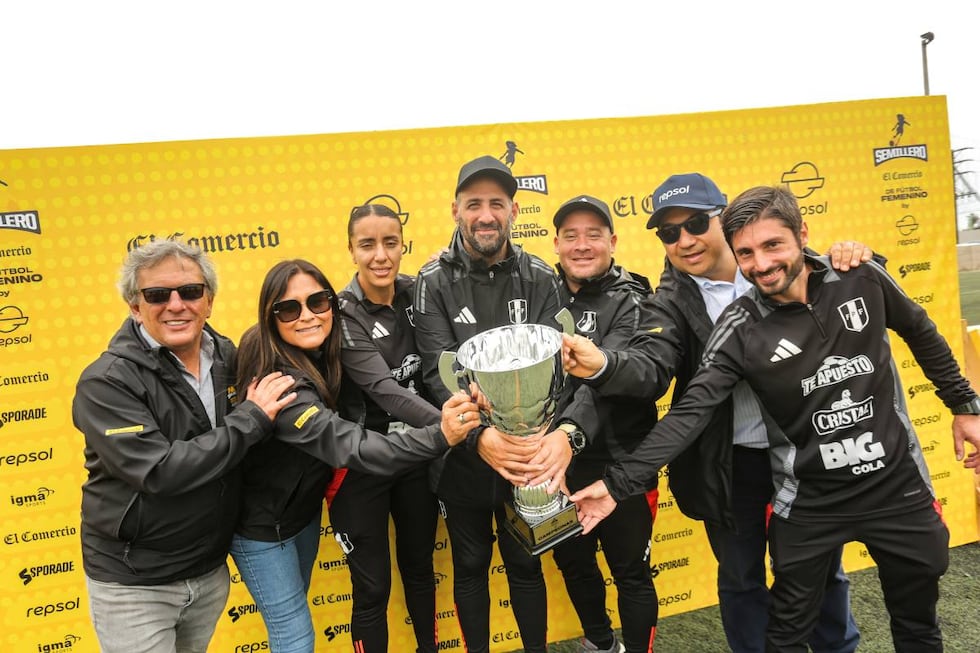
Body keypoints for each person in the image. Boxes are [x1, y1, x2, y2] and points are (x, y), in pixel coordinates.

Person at [570, 185, 980, 651]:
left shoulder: (853, 274)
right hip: (770, 480)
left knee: (898, 614)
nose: (761, 264)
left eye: (772, 246)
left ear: (801, 234)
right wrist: (617, 477)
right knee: (767, 606)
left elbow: (920, 330)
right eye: (669, 232)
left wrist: (965, 406)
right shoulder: (715, 316)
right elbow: (685, 405)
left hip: (864, 478)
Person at [231, 258, 480, 653]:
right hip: (269, 523)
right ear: (270, 315)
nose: (308, 316)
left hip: (300, 514)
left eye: (318, 302)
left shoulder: (321, 348)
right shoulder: (278, 380)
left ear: (334, 303)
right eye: (289, 308)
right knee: (348, 602)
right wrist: (443, 433)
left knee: (417, 570)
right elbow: (352, 445)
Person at [73, 239, 299, 653]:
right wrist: (250, 418)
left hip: (208, 572)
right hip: (135, 583)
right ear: (135, 307)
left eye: (190, 291)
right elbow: (160, 470)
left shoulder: (229, 357)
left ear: (208, 301)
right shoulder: (106, 382)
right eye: (157, 295)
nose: (176, 304)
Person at [413, 155, 575, 653]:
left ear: (513, 210)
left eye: (497, 204)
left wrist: (543, 438)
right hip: (467, 453)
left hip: (526, 453)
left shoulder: (542, 276)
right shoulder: (431, 278)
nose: (486, 215)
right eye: (474, 204)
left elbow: (560, 367)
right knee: (469, 568)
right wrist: (481, 436)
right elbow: (435, 372)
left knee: (527, 564)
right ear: (455, 210)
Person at [328, 203, 443, 653]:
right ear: (352, 250)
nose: (380, 255)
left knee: (419, 569)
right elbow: (383, 390)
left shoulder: (421, 293)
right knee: (373, 589)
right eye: (367, 244)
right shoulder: (340, 312)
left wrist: (448, 271)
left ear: (402, 246)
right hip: (363, 464)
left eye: (390, 243)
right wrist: (464, 429)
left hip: (417, 458)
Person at [548, 194, 659, 653]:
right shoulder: (538, 293)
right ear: (555, 243)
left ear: (612, 241)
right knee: (573, 564)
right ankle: (599, 642)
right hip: (555, 466)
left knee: (630, 571)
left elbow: (607, 382)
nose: (582, 245)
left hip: (623, 466)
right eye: (571, 235)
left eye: (593, 235)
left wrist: (567, 435)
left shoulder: (635, 296)